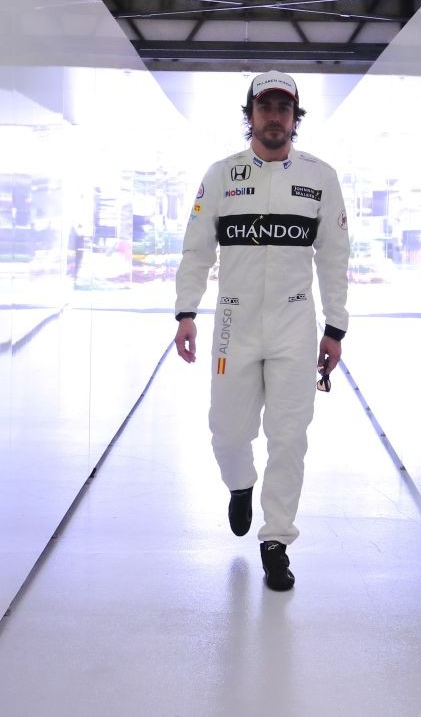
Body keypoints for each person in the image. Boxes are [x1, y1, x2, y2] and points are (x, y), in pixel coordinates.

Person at [173, 71, 350, 591]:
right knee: (228, 432)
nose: (274, 116)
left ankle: (276, 541)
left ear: (295, 118)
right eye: (265, 106)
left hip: (295, 325)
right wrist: (186, 313)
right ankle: (239, 484)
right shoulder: (221, 175)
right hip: (234, 321)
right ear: (249, 115)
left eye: (283, 107)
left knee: (289, 437)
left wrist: (335, 328)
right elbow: (196, 250)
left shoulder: (321, 177)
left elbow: (334, 258)